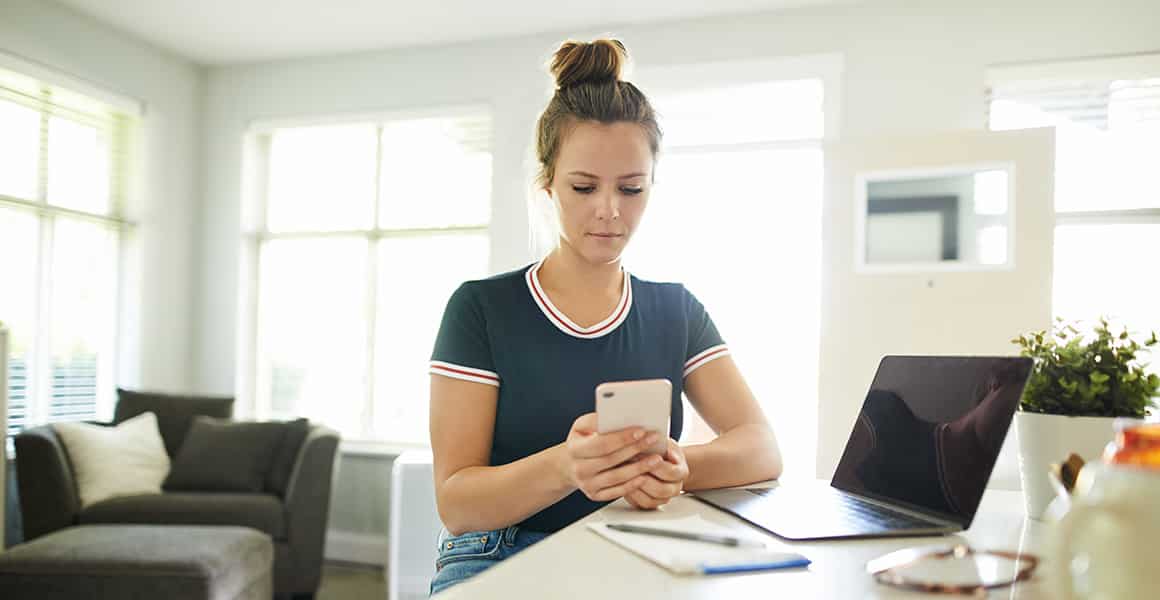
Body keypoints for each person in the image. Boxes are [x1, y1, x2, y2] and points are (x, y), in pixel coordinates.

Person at [427, 38, 783, 596]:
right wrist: (567, 468)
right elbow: (457, 502)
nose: (610, 211)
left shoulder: (676, 310)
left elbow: (761, 449)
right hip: (499, 553)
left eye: (632, 188)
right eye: (584, 187)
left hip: (634, 543)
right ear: (547, 182)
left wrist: (678, 465)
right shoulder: (480, 309)